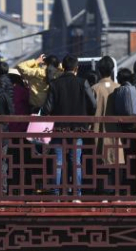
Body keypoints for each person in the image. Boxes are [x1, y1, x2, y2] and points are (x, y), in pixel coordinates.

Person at [41, 54, 97, 196]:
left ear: (63, 68)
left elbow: (47, 108)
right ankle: (77, 194)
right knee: (76, 160)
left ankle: (55, 194)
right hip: (78, 128)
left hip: (59, 128)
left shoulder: (54, 84)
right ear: (76, 68)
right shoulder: (83, 82)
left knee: (58, 161)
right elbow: (94, 104)